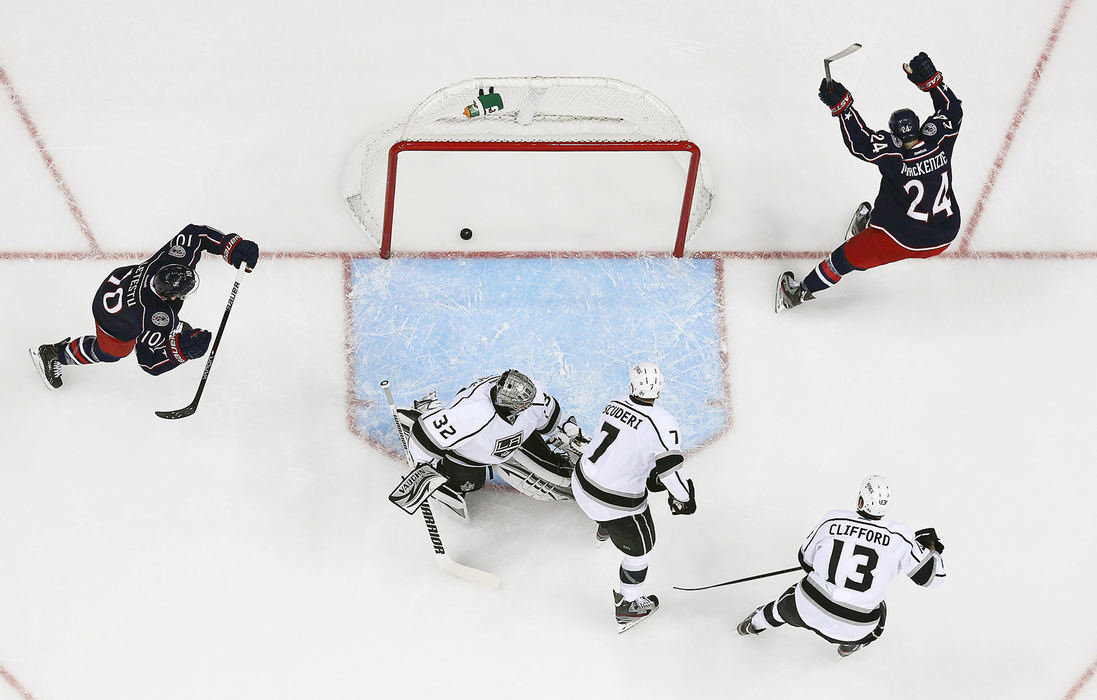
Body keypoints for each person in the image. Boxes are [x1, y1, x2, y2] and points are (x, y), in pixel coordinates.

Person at [776, 51, 963, 312]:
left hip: (900, 237)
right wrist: (932, 82)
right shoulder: (940, 141)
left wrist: (843, 107)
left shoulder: (894, 155)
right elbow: (952, 111)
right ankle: (872, 221)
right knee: (896, 193)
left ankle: (799, 293)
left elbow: (861, 143)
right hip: (945, 232)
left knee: (843, 259)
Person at [737, 475, 946, 656]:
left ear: (861, 500)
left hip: (806, 609)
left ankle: (752, 625)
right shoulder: (900, 536)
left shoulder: (833, 519)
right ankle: (848, 646)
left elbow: (805, 560)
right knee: (879, 610)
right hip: (856, 627)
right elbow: (932, 579)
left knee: (786, 604)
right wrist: (931, 548)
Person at [29, 224, 259, 389]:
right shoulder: (151, 316)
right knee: (113, 352)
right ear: (169, 297)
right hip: (113, 320)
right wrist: (182, 351)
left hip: (116, 282)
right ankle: (54, 354)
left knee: (166, 327)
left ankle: (173, 334)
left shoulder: (170, 260)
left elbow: (194, 234)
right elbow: (148, 361)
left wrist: (231, 246)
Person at [571, 362, 696, 632]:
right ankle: (628, 605)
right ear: (660, 387)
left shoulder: (614, 402)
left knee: (607, 491)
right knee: (641, 552)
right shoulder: (662, 422)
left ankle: (604, 530)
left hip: (580, 482)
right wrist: (684, 498)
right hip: (613, 504)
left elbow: (623, 448)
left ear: (632, 385)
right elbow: (670, 473)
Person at [400, 370, 579, 519]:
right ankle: (430, 409)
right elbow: (425, 436)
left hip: (508, 438)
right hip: (466, 454)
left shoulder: (534, 396)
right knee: (473, 484)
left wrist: (568, 433)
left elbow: (551, 421)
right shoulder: (471, 414)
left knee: (554, 471)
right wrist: (423, 468)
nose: (526, 407)